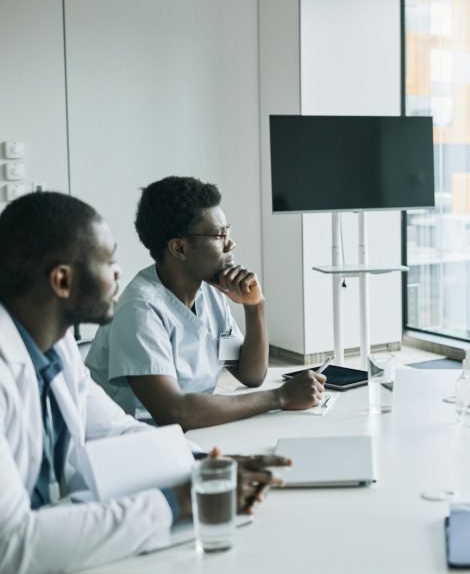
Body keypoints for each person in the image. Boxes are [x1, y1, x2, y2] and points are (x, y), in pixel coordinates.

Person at [0, 192, 285, 574]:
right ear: (62, 280)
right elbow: (9, 547)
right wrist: (176, 502)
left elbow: (115, 429)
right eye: (107, 261)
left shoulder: (56, 346)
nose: (118, 274)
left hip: (59, 546)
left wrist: (205, 465)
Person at [86, 177, 324, 430]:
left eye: (228, 232)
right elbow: (175, 412)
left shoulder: (208, 292)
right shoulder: (140, 309)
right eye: (219, 235)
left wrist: (255, 306)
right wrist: (280, 396)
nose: (230, 244)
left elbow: (250, 375)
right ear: (179, 248)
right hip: (138, 443)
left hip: (196, 429)